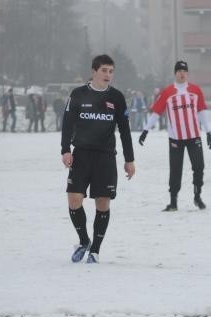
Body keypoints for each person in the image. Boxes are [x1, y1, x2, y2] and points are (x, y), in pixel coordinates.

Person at [61, 54, 135, 264]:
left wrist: (129, 160)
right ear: (93, 71)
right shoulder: (78, 94)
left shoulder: (117, 98)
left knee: (102, 203)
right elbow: (67, 123)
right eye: (104, 70)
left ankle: (95, 250)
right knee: (74, 199)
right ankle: (84, 240)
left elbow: (125, 130)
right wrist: (65, 150)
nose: (107, 75)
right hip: (81, 155)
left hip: (105, 157)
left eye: (111, 71)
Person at [139, 60, 211, 211]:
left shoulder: (195, 90)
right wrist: (145, 130)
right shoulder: (166, 92)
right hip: (176, 139)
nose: (182, 73)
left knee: (199, 166)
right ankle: (173, 201)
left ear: (187, 73)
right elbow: (156, 112)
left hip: (194, 136)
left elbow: (202, 112)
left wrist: (209, 132)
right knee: (175, 169)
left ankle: (197, 195)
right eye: (179, 70)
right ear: (175, 73)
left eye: (184, 71)